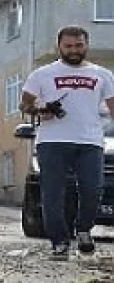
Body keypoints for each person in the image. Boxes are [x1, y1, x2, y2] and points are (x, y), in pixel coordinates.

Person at [20, 25, 114, 260]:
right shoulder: (42, 74)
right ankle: (60, 242)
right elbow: (25, 105)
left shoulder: (102, 75)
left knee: (93, 189)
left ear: (86, 45)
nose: (74, 50)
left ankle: (83, 230)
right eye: (68, 46)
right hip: (52, 141)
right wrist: (40, 110)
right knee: (52, 194)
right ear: (59, 46)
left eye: (79, 45)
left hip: (90, 141)